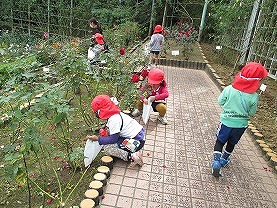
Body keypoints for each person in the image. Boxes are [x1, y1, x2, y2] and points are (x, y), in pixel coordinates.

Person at [211, 62, 268, 177]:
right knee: (231, 143)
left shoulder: (229, 89)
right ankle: (224, 160)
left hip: (226, 122)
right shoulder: (254, 96)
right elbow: (251, 112)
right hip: (240, 126)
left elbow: (220, 101)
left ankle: (216, 162)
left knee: (220, 141)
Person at [86, 94, 145, 167]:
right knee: (108, 141)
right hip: (139, 134)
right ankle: (131, 150)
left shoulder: (114, 120)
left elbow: (113, 139)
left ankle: (132, 156)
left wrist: (98, 139)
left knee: (108, 148)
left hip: (137, 141)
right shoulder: (114, 113)